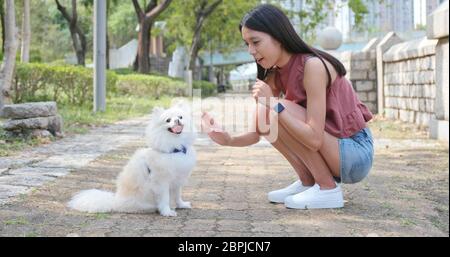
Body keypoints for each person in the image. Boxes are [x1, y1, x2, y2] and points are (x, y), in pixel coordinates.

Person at [201, 4, 374, 209]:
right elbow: (260, 131)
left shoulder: (312, 66)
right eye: (247, 43)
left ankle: (327, 189)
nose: (250, 51)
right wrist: (227, 139)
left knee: (276, 109)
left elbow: (314, 138)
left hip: (353, 152)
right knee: (266, 114)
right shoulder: (275, 73)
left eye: (255, 42)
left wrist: (275, 105)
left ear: (278, 36)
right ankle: (308, 182)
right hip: (334, 149)